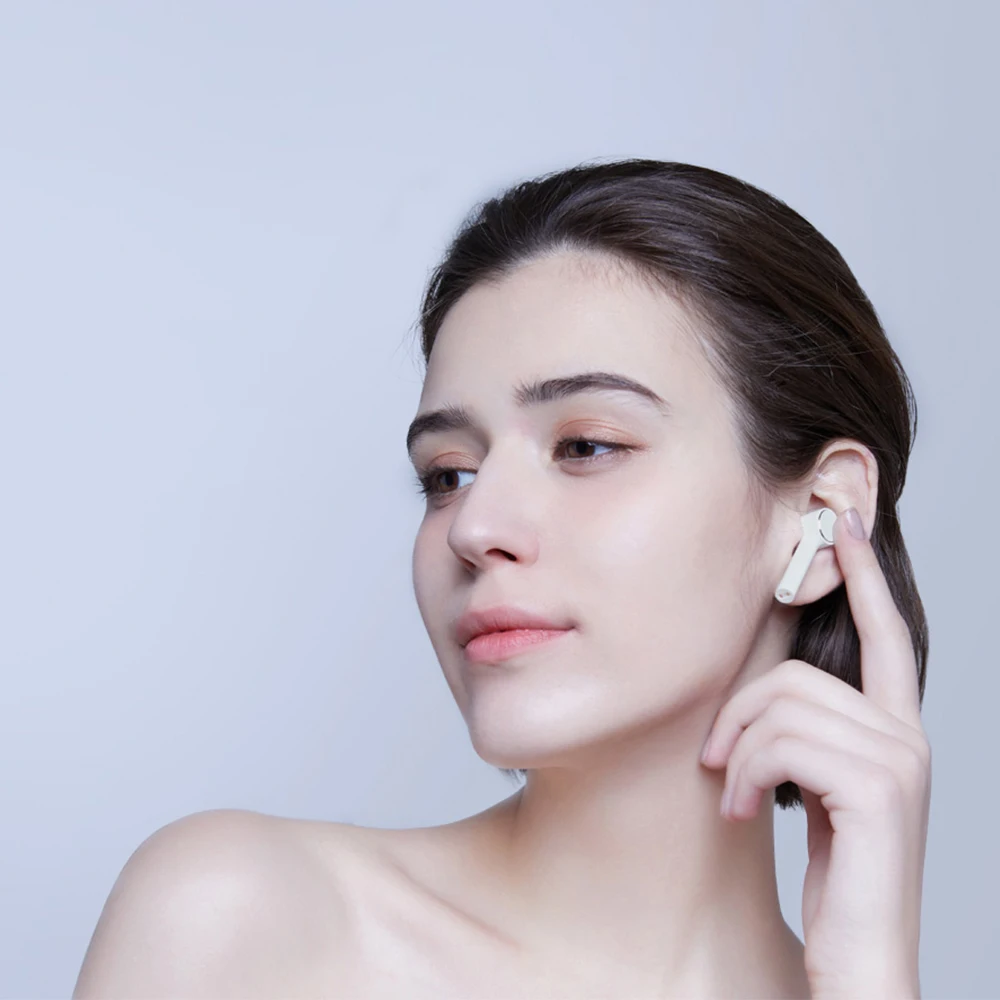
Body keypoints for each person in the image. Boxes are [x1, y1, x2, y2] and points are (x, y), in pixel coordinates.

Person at [74, 159, 931, 998]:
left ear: (823, 516)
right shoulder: (241, 923)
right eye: (448, 474)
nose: (475, 528)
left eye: (586, 446)